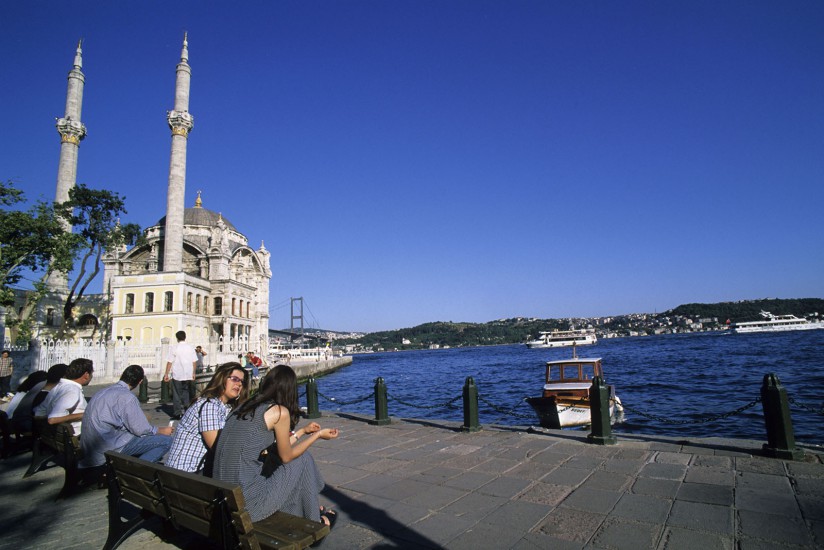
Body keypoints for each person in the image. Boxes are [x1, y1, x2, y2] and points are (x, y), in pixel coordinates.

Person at [213, 364, 339, 529]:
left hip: (223, 497)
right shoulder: (279, 412)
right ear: (290, 390)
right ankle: (314, 522)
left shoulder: (242, 407)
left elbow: (278, 450)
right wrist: (317, 435)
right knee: (302, 459)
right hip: (247, 505)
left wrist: (301, 432)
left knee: (280, 462)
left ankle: (309, 511)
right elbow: (287, 457)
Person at [79, 365, 174, 470]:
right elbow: (140, 429)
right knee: (167, 441)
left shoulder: (102, 392)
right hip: (107, 448)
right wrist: (160, 430)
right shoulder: (127, 397)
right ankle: (137, 471)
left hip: (91, 447)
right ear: (140, 382)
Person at [166, 362, 250, 474]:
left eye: (242, 381)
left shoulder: (223, 407)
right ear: (222, 379)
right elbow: (218, 447)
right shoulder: (209, 405)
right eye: (234, 379)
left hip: (188, 473)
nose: (239, 384)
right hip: (186, 474)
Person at [33, 358, 93, 434]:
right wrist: (84, 414)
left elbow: (38, 412)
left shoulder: (58, 387)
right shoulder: (72, 390)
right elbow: (53, 419)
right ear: (86, 375)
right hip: (77, 438)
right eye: (91, 373)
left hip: (57, 437)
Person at [163, 330, 198, 419]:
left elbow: (170, 362)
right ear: (185, 337)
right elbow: (194, 361)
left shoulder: (174, 348)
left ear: (177, 338)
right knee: (186, 392)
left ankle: (177, 412)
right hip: (188, 374)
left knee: (176, 394)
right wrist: (193, 372)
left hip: (177, 374)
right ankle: (187, 410)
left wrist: (166, 374)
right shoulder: (190, 348)